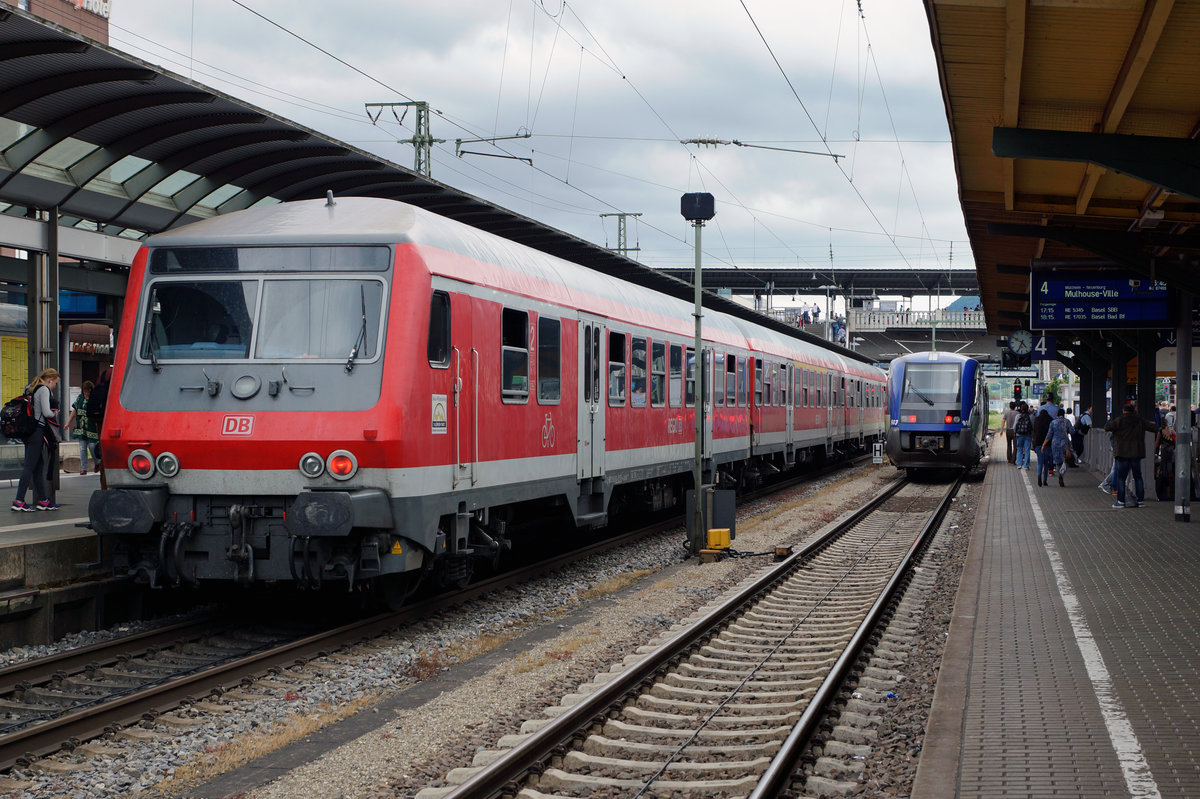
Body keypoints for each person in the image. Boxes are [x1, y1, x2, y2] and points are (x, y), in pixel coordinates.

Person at [12, 368, 60, 512]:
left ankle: (43, 500)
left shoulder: (30, 388)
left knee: (38, 466)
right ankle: (19, 500)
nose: (55, 386)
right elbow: (46, 412)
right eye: (55, 383)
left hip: (29, 431)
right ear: (50, 379)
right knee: (30, 466)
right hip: (37, 431)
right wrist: (55, 413)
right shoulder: (44, 389)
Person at [1104, 403, 1159, 508]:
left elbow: (1107, 427)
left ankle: (1120, 501)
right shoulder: (1139, 420)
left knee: (1121, 478)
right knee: (1138, 476)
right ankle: (1140, 501)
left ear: (1124, 411)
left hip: (1122, 452)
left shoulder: (1119, 420)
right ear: (1133, 411)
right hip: (1136, 453)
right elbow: (1154, 428)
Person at [88, 366, 113, 489]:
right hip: (111, 417)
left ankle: (104, 487)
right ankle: (109, 485)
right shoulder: (119, 372)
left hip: (99, 418)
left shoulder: (104, 374)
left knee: (104, 455)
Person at [65, 380, 96, 475]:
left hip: (91, 427)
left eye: (88, 391)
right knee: (82, 448)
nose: (86, 393)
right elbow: (74, 411)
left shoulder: (94, 399)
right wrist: (68, 423)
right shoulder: (80, 398)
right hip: (81, 427)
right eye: (85, 391)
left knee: (92, 447)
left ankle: (97, 462)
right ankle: (84, 468)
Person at [1032, 394, 1060, 487]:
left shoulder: (1040, 410)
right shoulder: (1056, 410)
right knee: (1047, 460)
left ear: (1046, 399)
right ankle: (1046, 479)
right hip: (1049, 440)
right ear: (1053, 399)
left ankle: (1039, 475)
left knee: (1040, 461)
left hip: (1039, 441)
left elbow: (1035, 429)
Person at [1044, 408, 1073, 487]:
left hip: (1055, 444)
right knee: (1066, 460)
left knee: (1057, 461)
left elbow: (1049, 435)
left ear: (1057, 414)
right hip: (1064, 444)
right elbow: (1072, 432)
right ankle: (1061, 473)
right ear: (1064, 414)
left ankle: (1059, 474)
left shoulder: (1053, 422)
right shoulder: (1067, 422)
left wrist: (1044, 445)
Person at [1013, 400, 1034, 470]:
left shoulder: (1018, 416)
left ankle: (1019, 464)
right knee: (1027, 450)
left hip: (1019, 435)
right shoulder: (1030, 416)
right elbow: (1032, 426)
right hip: (1028, 435)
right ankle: (1026, 466)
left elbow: (1015, 426)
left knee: (1019, 449)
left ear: (1021, 409)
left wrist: (1015, 432)